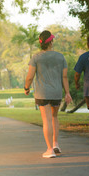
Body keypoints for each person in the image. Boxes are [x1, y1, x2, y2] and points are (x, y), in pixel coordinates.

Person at [24, 30, 72, 158]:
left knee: (47, 120)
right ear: (50, 42)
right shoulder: (60, 57)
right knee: (54, 118)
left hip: (42, 94)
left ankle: (50, 150)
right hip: (56, 92)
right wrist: (67, 93)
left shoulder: (36, 57)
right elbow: (65, 77)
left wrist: (26, 87)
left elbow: (30, 77)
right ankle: (56, 144)